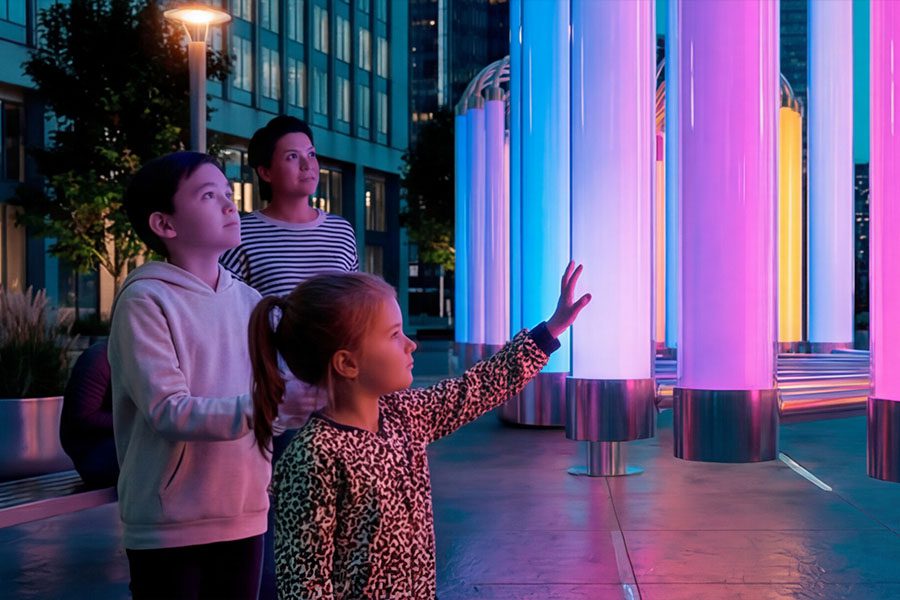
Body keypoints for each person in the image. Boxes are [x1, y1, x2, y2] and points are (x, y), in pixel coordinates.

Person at [248, 263, 591, 599]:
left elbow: (478, 388)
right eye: (394, 334)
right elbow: (304, 583)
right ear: (347, 363)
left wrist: (550, 330)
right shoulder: (312, 457)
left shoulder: (403, 414)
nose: (411, 344)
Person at [108, 151, 269, 599]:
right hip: (169, 523)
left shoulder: (251, 302)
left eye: (227, 192)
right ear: (164, 224)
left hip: (245, 511)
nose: (230, 204)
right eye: (208, 195)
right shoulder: (145, 301)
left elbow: (274, 394)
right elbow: (168, 411)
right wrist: (270, 407)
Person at [220, 115, 359, 599]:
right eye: (292, 157)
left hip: (344, 392)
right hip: (283, 397)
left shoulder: (340, 232)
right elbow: (234, 315)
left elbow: (355, 310)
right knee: (285, 513)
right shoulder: (245, 234)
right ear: (264, 172)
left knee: (347, 513)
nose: (308, 165)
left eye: (312, 155)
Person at [59, 340, 119, 489]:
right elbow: (85, 417)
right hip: (95, 453)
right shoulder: (99, 358)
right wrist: (135, 421)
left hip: (122, 446)